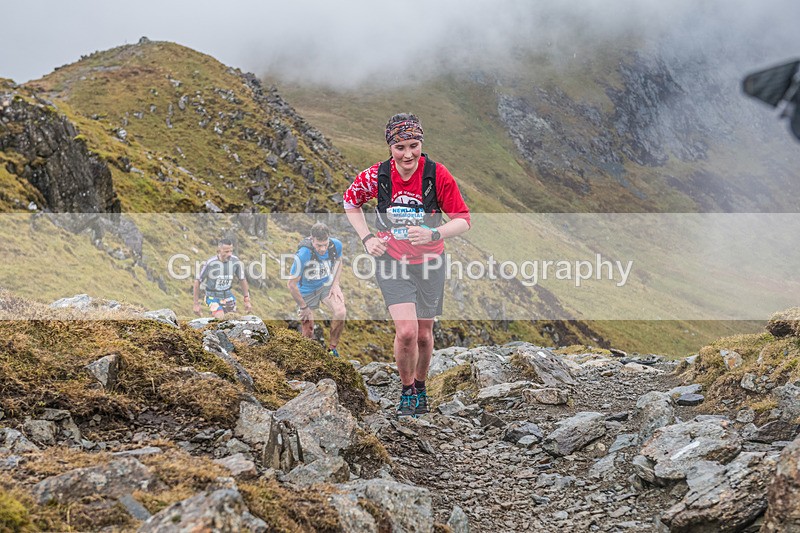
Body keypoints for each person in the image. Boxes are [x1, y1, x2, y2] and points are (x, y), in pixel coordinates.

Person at [343, 113, 471, 417]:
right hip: (391, 262)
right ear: (390, 147)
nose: (408, 154)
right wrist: (367, 238)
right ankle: (406, 391)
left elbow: (464, 220)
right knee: (407, 332)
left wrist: (434, 233)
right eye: (400, 147)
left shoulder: (437, 176)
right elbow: (350, 201)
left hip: (429, 263)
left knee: (424, 335)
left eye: (414, 145)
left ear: (421, 143)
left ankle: (421, 387)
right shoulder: (376, 176)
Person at [287, 222, 346, 357]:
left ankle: (332, 350)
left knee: (340, 311)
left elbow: (339, 261)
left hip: (325, 286)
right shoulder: (303, 254)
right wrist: (303, 307)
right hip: (306, 290)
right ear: (311, 239)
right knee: (308, 330)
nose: (323, 249)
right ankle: (304, 358)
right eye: (319, 245)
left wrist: (336, 284)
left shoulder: (335, 245)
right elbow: (291, 284)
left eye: (325, 244)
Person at [193, 238, 252, 318]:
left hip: (228, 296)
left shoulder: (235, 261)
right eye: (226, 252)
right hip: (212, 296)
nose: (229, 254)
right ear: (219, 251)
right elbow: (197, 281)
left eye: (231, 251)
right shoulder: (210, 263)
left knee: (232, 319)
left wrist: (246, 299)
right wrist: (196, 304)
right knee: (220, 316)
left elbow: (242, 279)